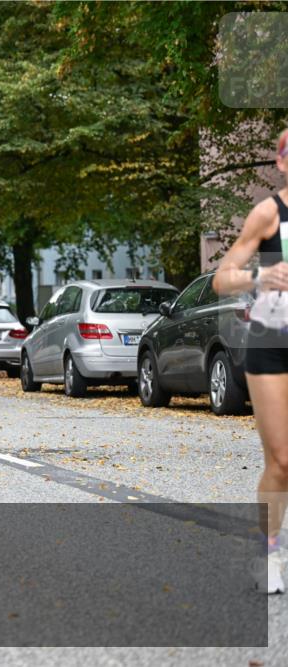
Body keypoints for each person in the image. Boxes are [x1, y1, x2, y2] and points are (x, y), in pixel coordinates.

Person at [213, 128, 288, 594]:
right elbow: (222, 278)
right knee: (281, 461)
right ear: (282, 163)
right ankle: (269, 551)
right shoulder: (268, 213)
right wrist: (262, 274)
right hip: (271, 341)